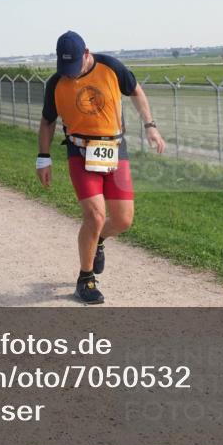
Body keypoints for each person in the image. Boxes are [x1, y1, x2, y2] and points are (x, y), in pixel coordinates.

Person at [36, 31, 165, 304]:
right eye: (65, 68)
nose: (70, 75)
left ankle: (99, 241)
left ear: (87, 53)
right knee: (94, 216)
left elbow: (137, 92)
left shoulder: (111, 67)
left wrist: (150, 127)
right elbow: (47, 121)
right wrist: (43, 157)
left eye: (75, 68)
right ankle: (85, 279)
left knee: (123, 220)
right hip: (80, 152)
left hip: (114, 149)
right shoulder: (56, 83)